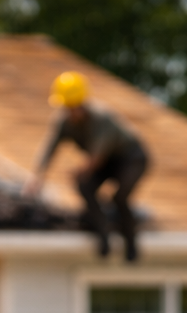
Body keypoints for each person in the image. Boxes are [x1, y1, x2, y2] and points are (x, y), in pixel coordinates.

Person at [24, 71, 148, 261]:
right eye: (66, 107)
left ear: (82, 104)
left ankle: (131, 245)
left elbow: (97, 157)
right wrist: (36, 177)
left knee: (119, 197)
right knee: (85, 185)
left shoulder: (101, 119)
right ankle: (103, 232)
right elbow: (49, 149)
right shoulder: (64, 123)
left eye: (73, 107)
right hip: (106, 162)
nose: (70, 112)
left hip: (131, 158)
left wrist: (79, 170)